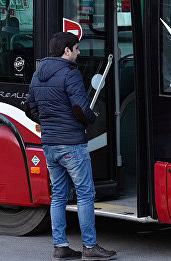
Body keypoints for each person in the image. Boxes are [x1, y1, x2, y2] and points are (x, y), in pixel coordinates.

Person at [25, 32, 117, 261]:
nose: (78, 52)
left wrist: (49, 122)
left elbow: (30, 108)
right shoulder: (70, 74)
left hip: (50, 143)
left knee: (58, 195)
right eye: (76, 48)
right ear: (66, 50)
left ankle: (61, 246)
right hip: (72, 144)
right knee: (86, 193)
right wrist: (91, 119)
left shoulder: (38, 74)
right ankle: (90, 246)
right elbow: (80, 108)